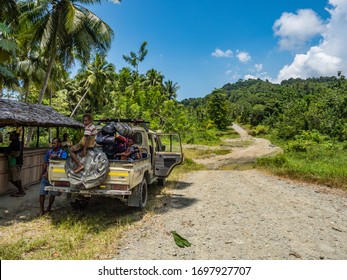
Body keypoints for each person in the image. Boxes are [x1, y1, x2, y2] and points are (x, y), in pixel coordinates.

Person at [39, 138, 67, 216]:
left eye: (55, 143)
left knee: (53, 193)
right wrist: (41, 174)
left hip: (56, 177)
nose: (53, 144)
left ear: (59, 144)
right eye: (52, 143)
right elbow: (45, 163)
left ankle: (48, 208)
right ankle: (41, 210)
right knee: (42, 192)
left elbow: (64, 161)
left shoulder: (63, 152)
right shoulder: (49, 152)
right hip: (46, 175)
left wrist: (57, 157)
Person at [4, 131, 25, 197]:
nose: (10, 137)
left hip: (16, 162)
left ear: (15, 137)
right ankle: (21, 190)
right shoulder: (16, 143)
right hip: (15, 162)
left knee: (16, 178)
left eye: (11, 136)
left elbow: (16, 153)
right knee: (13, 178)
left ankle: (21, 191)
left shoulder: (16, 143)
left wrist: (8, 152)